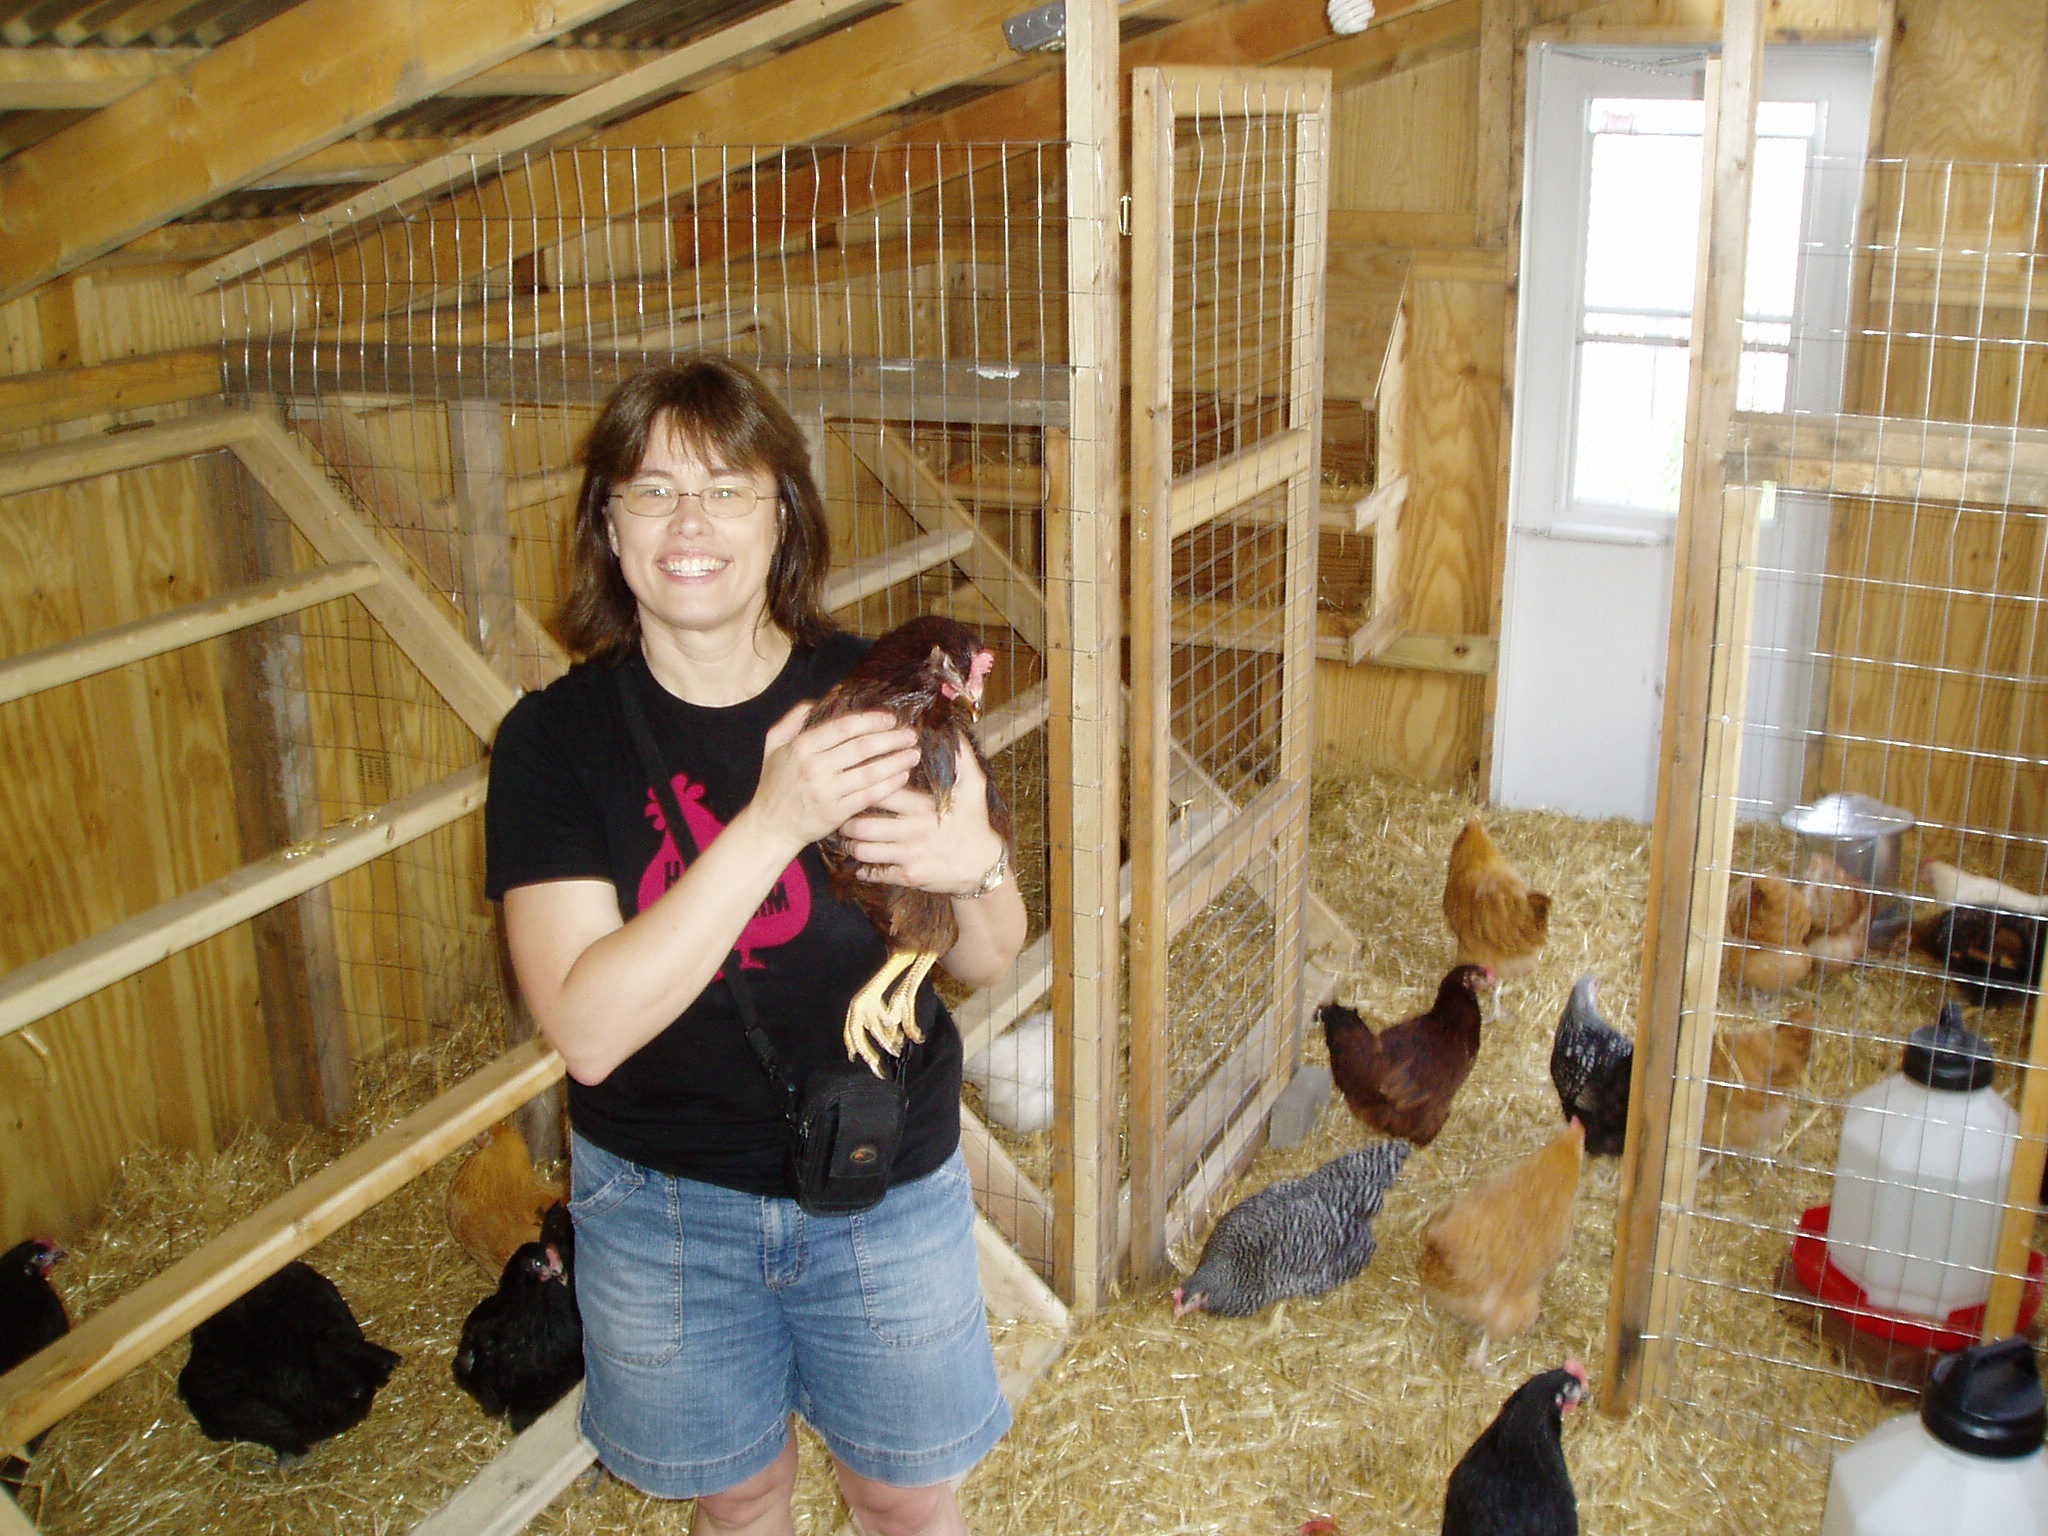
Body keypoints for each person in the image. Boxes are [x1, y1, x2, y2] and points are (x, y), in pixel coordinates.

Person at [484, 356, 1026, 1536]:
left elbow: (990, 954)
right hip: (662, 1204)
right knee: (737, 1498)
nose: (690, 523)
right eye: (653, 490)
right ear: (608, 526)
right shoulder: (551, 742)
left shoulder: (877, 693)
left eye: (727, 489)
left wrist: (975, 867)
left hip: (883, 1181)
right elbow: (586, 1031)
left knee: (902, 1495)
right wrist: (774, 819)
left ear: (782, 516)